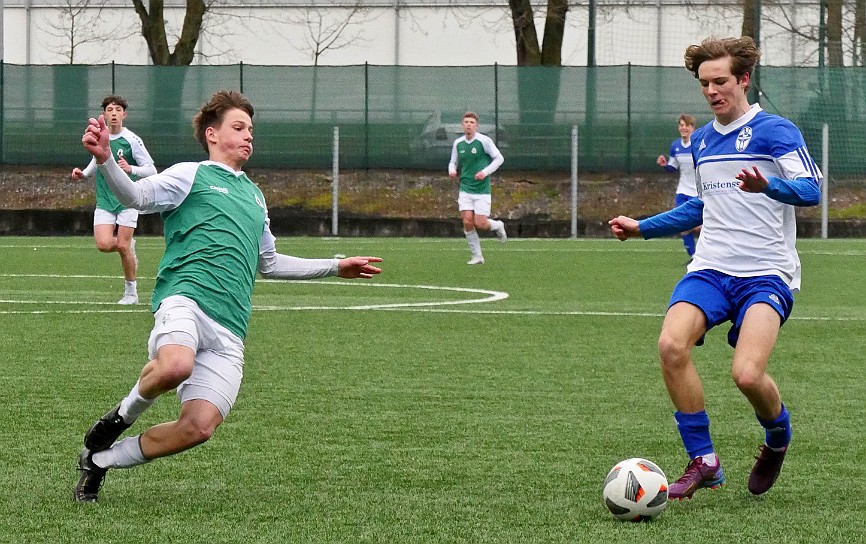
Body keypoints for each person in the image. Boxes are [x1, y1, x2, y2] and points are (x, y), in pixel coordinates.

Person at [73, 90, 383, 503]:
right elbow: (135, 197)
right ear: (212, 134)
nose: (248, 136)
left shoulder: (255, 197)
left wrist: (335, 265)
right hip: (185, 298)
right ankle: (118, 419)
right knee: (175, 366)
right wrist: (106, 159)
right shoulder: (190, 174)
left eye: (251, 130)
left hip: (230, 326)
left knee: (198, 427)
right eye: (239, 128)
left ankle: (100, 462)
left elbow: (269, 263)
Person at [608, 36, 821, 500]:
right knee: (670, 344)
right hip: (711, 267)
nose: (711, 91)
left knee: (746, 374)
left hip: (766, 271)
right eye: (705, 83)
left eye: (720, 81)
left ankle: (777, 437)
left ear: (743, 79)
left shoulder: (776, 131)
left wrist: (769, 187)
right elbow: (704, 207)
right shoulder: (702, 139)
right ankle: (704, 461)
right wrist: (642, 227)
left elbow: (810, 191)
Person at [71, 95, 157, 305]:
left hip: (127, 200)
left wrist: (131, 169)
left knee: (123, 244)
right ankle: (128, 247)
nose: (114, 113)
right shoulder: (103, 137)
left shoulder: (132, 140)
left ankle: (131, 293)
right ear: (104, 115)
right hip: (105, 200)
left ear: (124, 114)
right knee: (104, 244)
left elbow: (151, 169)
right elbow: (96, 159)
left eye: (118, 110)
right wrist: (83, 174)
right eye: (110, 110)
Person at [448, 111, 507, 265]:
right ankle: (477, 256)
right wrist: (452, 171)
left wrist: (484, 172)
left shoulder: (484, 141)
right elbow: (453, 162)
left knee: (480, 223)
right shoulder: (458, 143)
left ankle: (498, 225)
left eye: (471, 122)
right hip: (465, 188)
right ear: (462, 125)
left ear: (476, 126)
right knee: (467, 221)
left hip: (482, 190)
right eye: (466, 122)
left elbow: (499, 158)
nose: (468, 125)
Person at [656, 114, 699, 262]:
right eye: (681, 125)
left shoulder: (698, 145)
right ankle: (694, 257)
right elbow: (673, 168)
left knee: (700, 226)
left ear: (693, 128)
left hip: (699, 192)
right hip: (683, 191)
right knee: (682, 224)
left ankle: (707, 255)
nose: (684, 128)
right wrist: (664, 165)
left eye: (687, 125)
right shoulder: (676, 145)